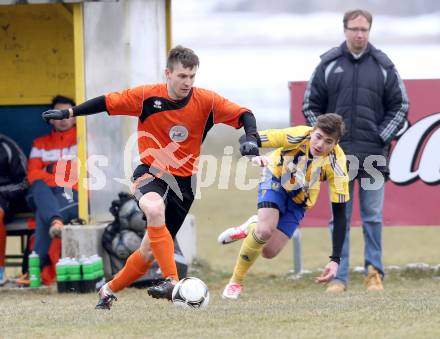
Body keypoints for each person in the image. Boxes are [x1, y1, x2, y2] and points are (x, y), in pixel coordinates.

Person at [42, 45, 260, 309]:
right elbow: (107, 102)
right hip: (150, 172)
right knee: (154, 209)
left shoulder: (207, 101)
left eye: (192, 76)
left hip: (185, 184)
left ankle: (107, 291)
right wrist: (69, 113)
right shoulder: (146, 96)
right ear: (167, 73)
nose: (187, 82)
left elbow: (244, 114)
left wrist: (251, 138)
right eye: (182, 76)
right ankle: (171, 279)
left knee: (147, 250)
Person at [302, 9, 409, 292]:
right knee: (340, 217)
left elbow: (400, 106)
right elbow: (309, 105)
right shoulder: (328, 64)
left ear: (369, 31)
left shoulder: (384, 65)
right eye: (354, 29)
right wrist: (325, 141)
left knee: (372, 216)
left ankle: (374, 273)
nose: (359, 34)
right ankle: (339, 276)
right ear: (345, 30)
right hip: (338, 159)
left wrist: (381, 135)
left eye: (364, 29)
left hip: (374, 156)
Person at [219, 113, 349, 300]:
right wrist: (255, 155)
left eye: (328, 141)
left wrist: (335, 259)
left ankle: (251, 227)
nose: (320, 145)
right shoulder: (296, 135)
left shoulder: (337, 164)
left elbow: (340, 215)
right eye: (318, 137)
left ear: (336, 144)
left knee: (268, 252)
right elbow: (247, 138)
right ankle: (235, 282)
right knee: (264, 231)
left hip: (300, 200)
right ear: (312, 132)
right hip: (276, 178)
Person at [28, 95, 79, 284]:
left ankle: (35, 269)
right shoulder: (39, 143)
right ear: (50, 118)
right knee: (38, 187)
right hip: (46, 192)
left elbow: (83, 172)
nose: (63, 119)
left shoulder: (85, 139)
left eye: (67, 114)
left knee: (45, 213)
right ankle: (55, 221)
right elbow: (33, 175)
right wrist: (60, 173)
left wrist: (49, 170)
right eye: (57, 114)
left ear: (75, 116)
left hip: (72, 193)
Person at [0, 134, 28, 285]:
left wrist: (2, 192)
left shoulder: (7, 146)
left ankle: (0, 272)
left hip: (4, 198)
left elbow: (24, 182)